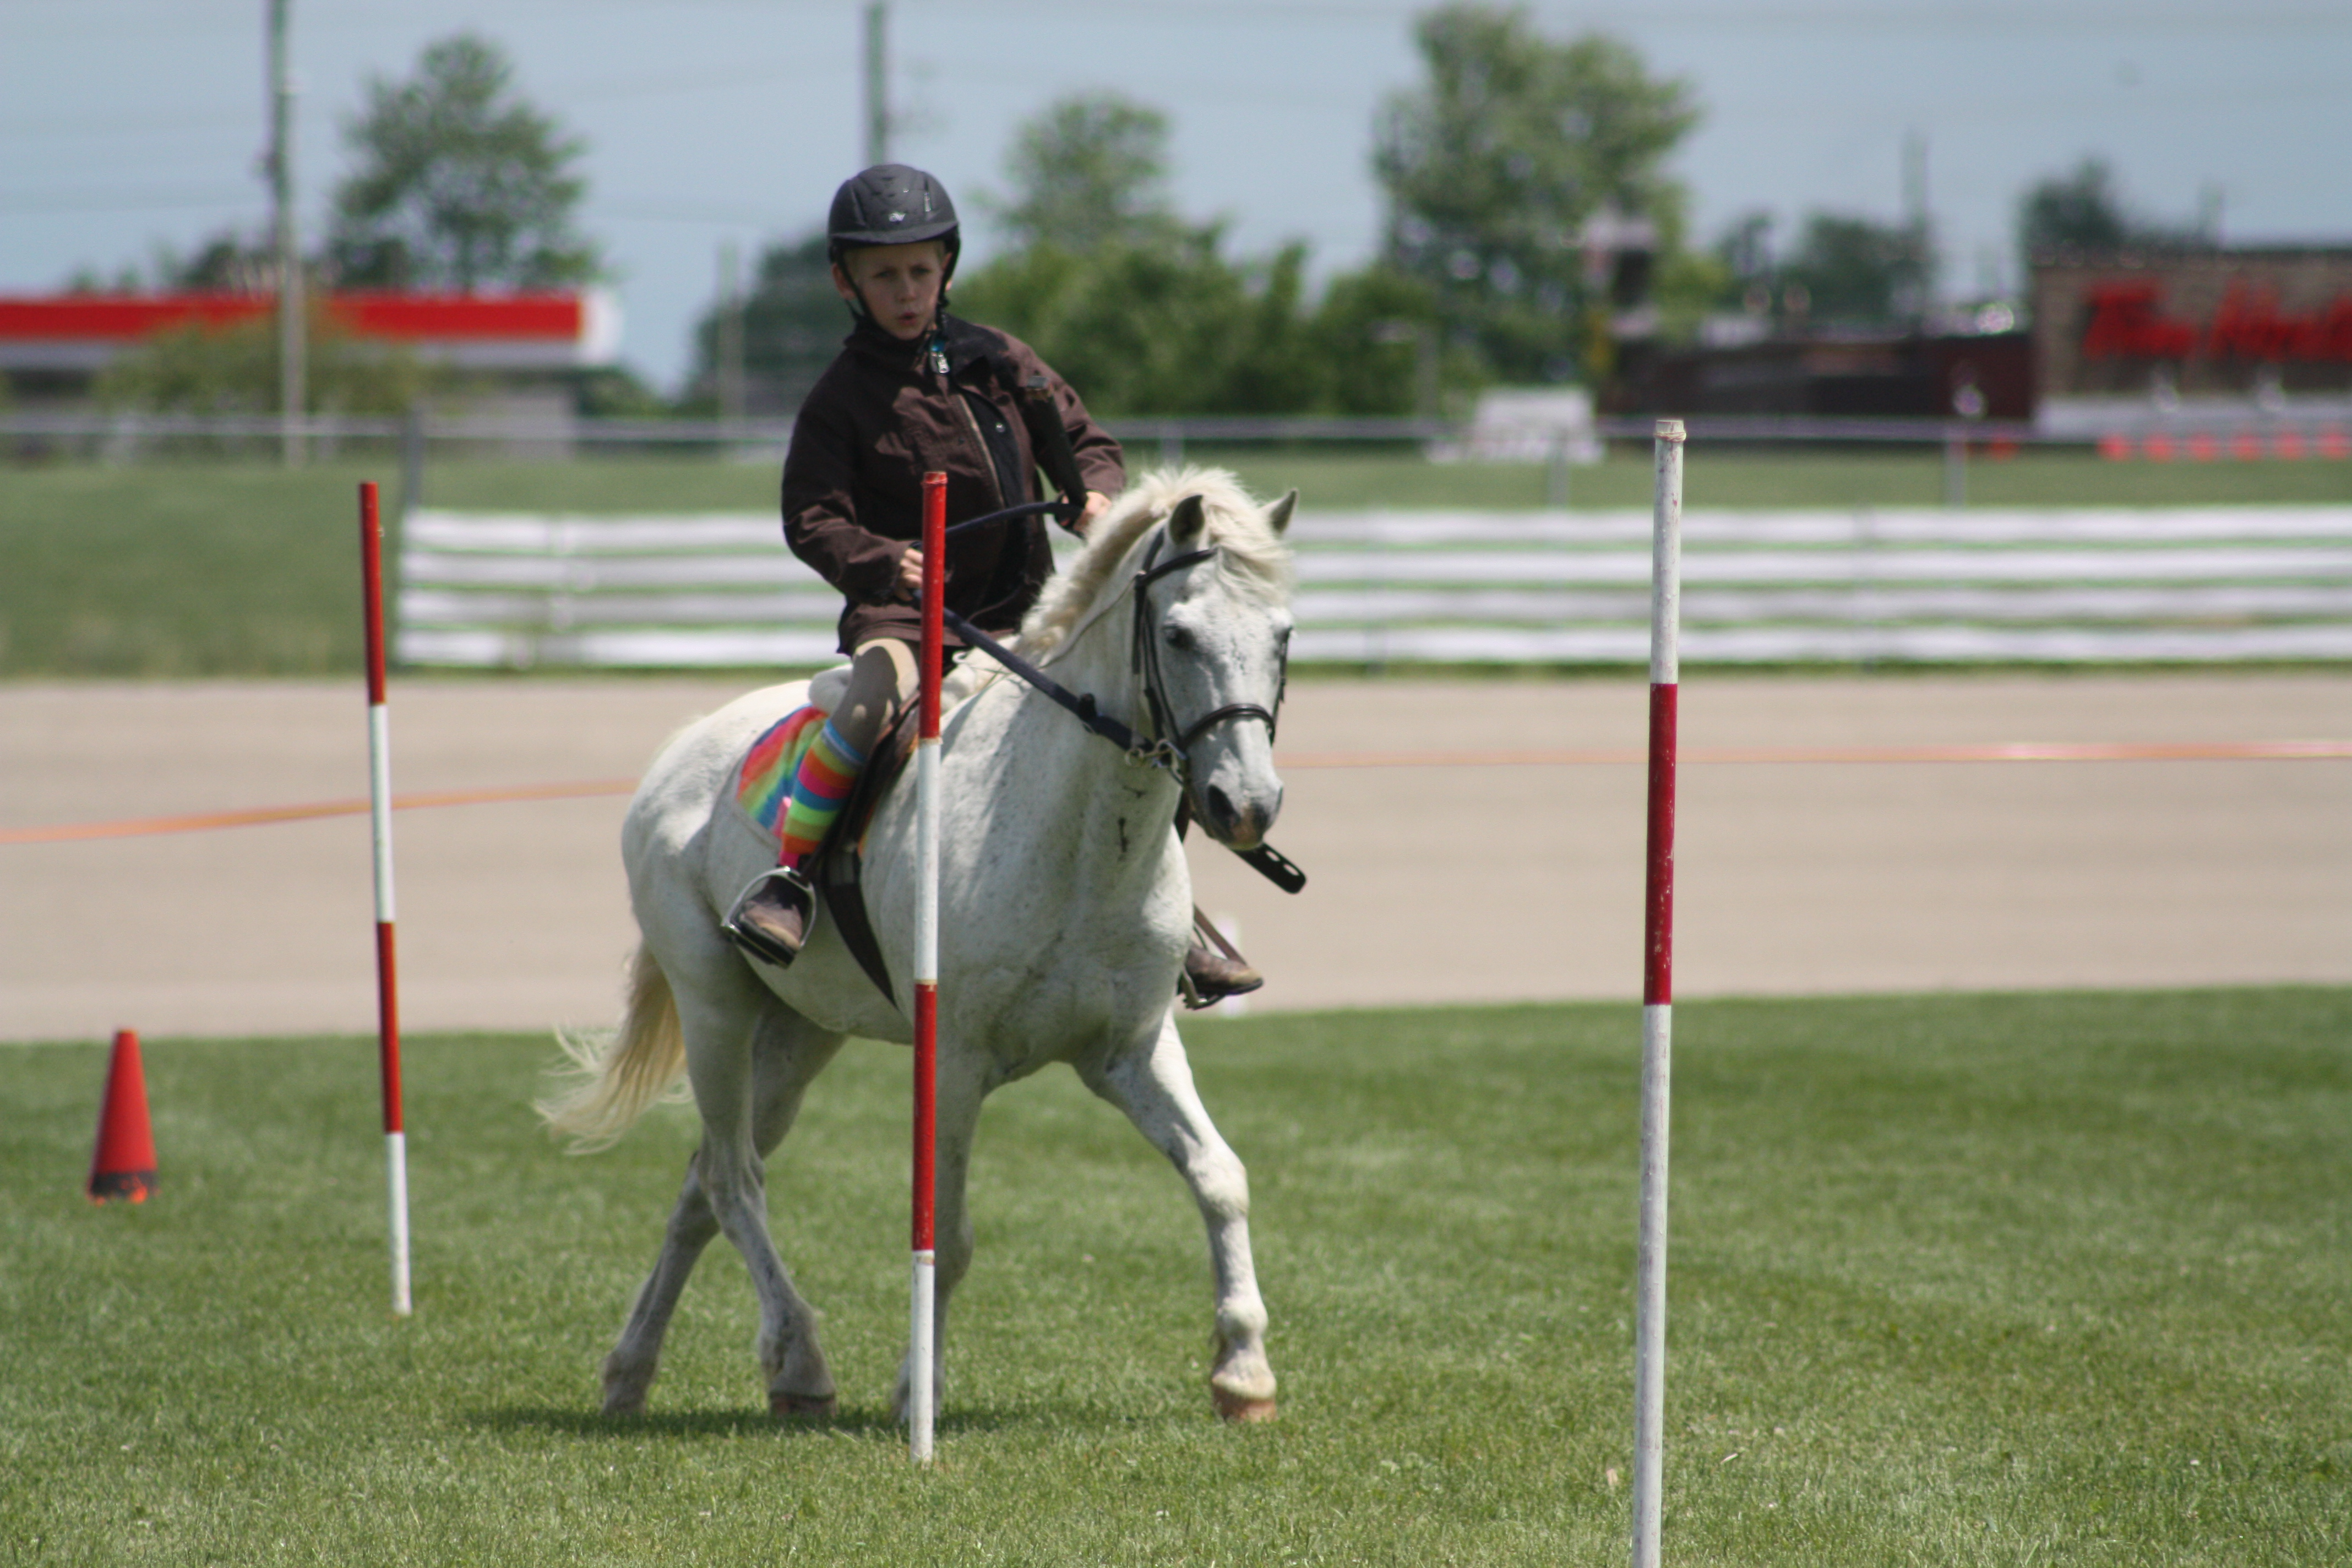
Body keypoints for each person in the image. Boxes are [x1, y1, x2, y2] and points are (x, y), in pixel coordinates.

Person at [721, 163, 1263, 1006]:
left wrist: (1095, 495)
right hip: (905, 619)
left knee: (1134, 723)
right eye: (884, 275)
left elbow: (1087, 442)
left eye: (920, 270)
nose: (906, 291)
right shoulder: (839, 399)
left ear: (947, 267)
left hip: (1026, 615)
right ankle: (790, 879)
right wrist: (879, 559)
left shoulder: (1003, 361)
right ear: (846, 283)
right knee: (867, 706)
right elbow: (811, 518)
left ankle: (1172, 913)